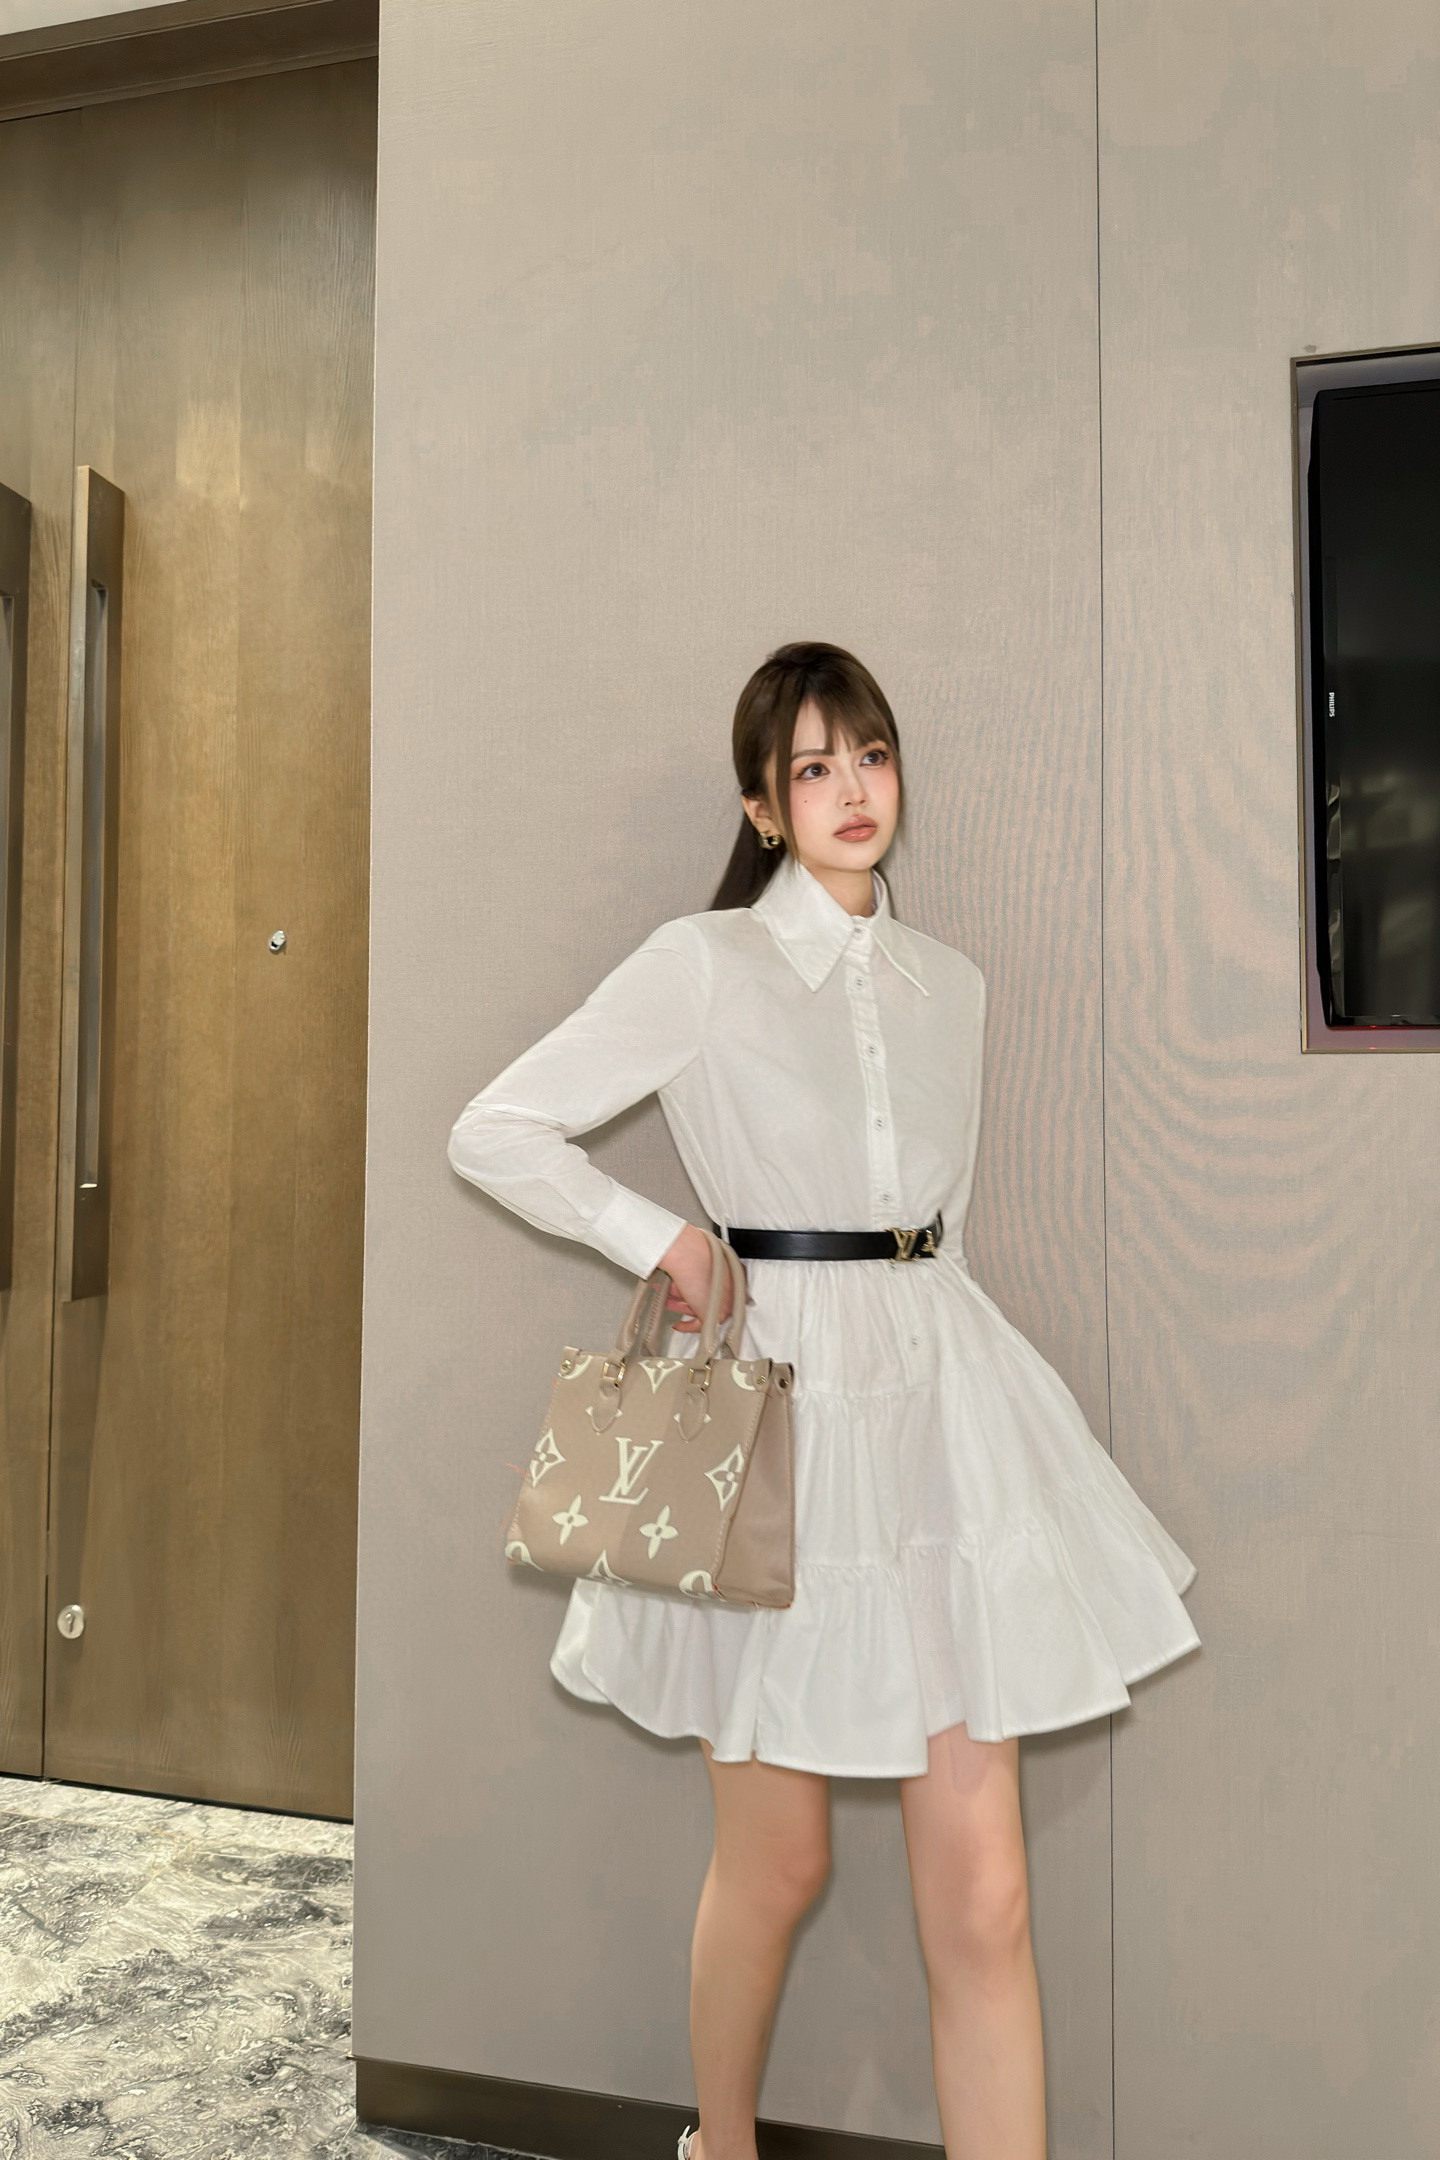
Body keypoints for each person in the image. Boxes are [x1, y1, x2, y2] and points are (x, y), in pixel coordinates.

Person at [447, 641, 1199, 2160]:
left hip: (944, 1415)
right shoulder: (703, 961)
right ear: (763, 806)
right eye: (812, 767)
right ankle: (719, 2146)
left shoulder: (951, 986)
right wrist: (661, 1238)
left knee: (984, 1895)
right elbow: (497, 1127)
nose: (853, 789)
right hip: (778, 1414)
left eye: (871, 754)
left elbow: (940, 1229)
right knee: (779, 1861)